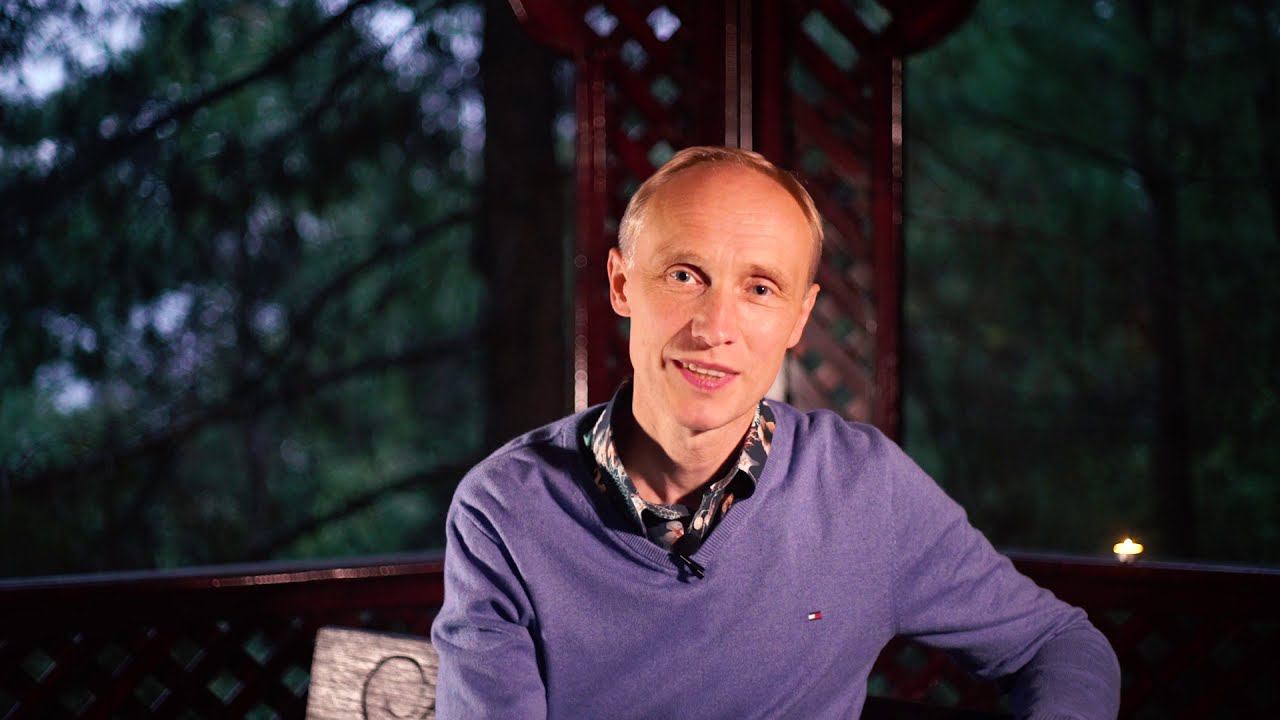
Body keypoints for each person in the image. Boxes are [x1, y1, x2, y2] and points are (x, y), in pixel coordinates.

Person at [431, 146, 1120, 718]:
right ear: (621, 284)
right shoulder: (506, 508)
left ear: (799, 317)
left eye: (760, 288)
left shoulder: (863, 489)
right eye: (684, 275)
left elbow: (1059, 645)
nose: (715, 328)